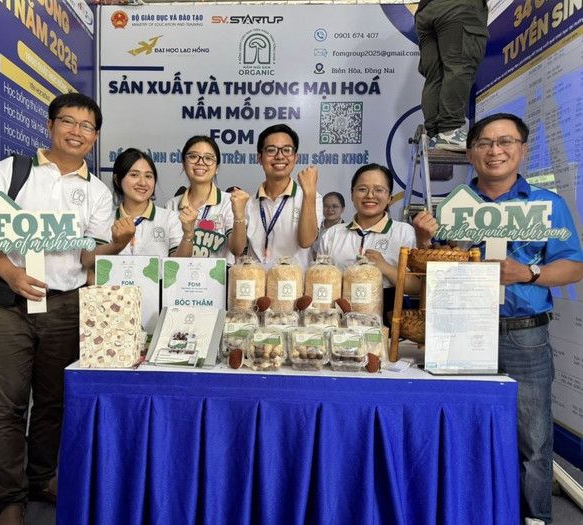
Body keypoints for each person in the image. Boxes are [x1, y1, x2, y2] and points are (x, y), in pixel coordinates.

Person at [413, 113, 583, 523]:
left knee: (533, 439)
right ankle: (465, 511)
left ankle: (534, 517)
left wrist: (528, 272)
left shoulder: (547, 205)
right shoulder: (452, 207)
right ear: (470, 153)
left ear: (523, 150)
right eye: (484, 143)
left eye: (505, 142)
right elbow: (430, 273)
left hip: (524, 335)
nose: (495, 150)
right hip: (459, 332)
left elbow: (574, 266)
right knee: (461, 427)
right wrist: (423, 240)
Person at [0, 92, 116, 524]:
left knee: (53, 402)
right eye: (68, 121)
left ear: (95, 137)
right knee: (6, 406)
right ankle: (8, 500)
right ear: (50, 125)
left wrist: (118, 244)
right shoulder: (12, 171)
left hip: (64, 306)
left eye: (87, 126)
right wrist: (9, 273)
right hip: (6, 303)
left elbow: (88, 256)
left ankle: (41, 478)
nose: (76, 132)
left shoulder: (97, 192)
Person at [319, 164, 420, 323]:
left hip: (387, 315)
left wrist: (385, 267)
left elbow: (417, 287)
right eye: (362, 189)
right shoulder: (333, 234)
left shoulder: (404, 232)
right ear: (352, 194)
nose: (370, 195)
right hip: (338, 317)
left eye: (379, 190)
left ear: (389, 197)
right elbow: (320, 278)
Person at [245, 124, 323, 270]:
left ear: (296, 157)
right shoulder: (250, 203)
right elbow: (237, 249)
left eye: (287, 150)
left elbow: (306, 241)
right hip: (257, 282)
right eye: (271, 150)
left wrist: (309, 193)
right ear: (260, 158)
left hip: (295, 282)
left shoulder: (311, 197)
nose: (280, 156)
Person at [415, 0, 489, 151]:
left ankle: (436, 135)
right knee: (460, 67)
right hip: (458, 7)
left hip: (425, 10)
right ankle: (450, 131)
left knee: (435, 76)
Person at [165, 135, 248, 263]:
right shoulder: (171, 205)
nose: (200, 162)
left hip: (221, 276)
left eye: (208, 158)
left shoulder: (228, 202)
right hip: (185, 275)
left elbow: (237, 250)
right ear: (183, 164)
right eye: (193, 156)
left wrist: (239, 215)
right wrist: (188, 235)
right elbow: (175, 263)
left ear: (217, 168)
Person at [109, 148, 197, 258]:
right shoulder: (105, 220)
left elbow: (179, 263)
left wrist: (188, 235)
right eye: (134, 175)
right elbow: (94, 263)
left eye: (148, 176)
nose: (143, 183)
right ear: (117, 179)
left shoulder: (169, 218)